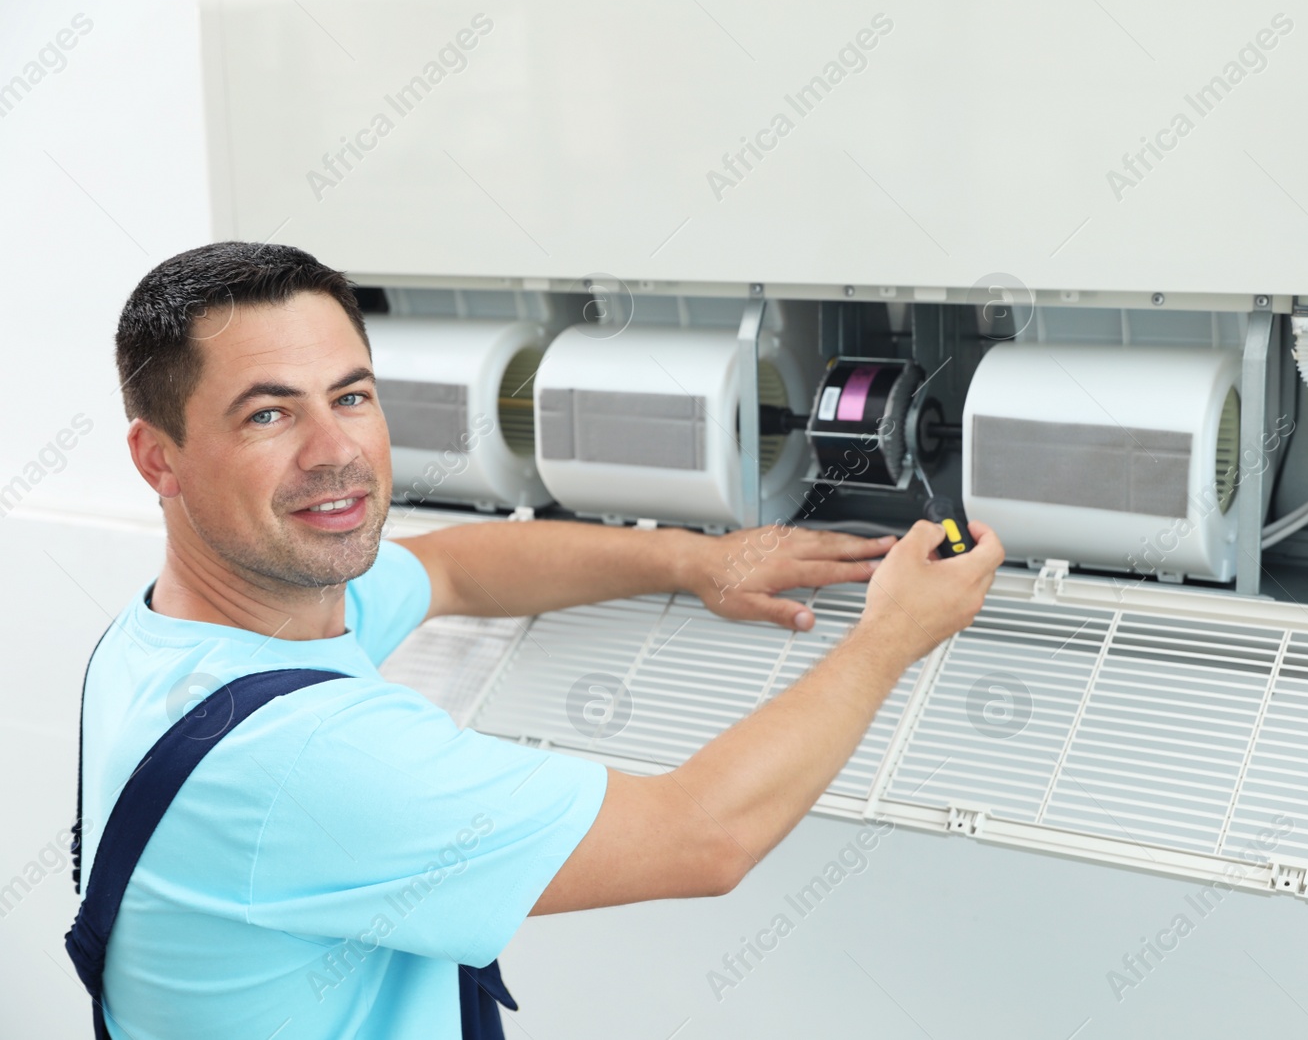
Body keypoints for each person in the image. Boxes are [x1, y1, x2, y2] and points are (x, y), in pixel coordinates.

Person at [71, 242, 1003, 1038]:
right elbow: (703, 836)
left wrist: (695, 561)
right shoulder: (310, 758)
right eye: (268, 414)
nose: (333, 451)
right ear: (159, 458)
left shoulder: (170, 637)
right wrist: (892, 633)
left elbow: (455, 569)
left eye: (350, 396)